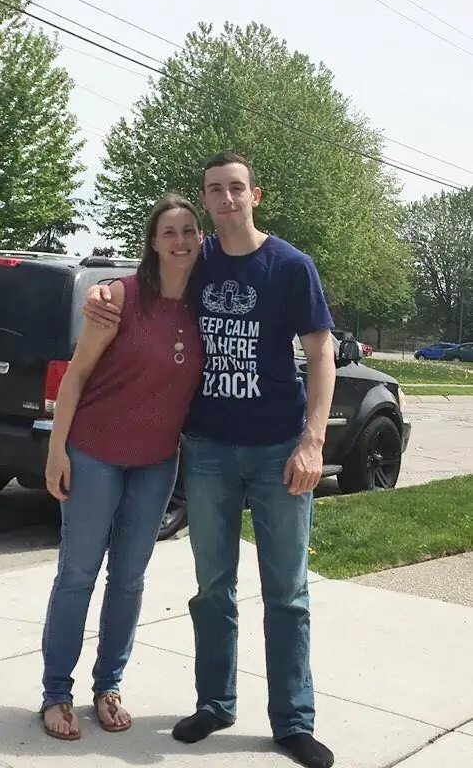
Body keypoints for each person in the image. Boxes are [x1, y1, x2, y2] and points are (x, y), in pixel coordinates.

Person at [84, 152, 336, 768]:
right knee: (212, 588)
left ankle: (292, 721)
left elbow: (322, 351)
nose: (225, 199)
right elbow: (144, 284)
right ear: (206, 201)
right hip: (209, 450)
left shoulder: (291, 267)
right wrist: (102, 291)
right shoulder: (196, 261)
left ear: (256, 194)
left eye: (235, 189)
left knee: (287, 592)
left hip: (280, 448)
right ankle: (215, 702)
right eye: (214, 192)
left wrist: (313, 441)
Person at [40, 194, 203, 741]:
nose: (180, 240)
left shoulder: (205, 308)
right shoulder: (119, 299)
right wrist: (56, 451)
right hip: (93, 454)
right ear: (153, 242)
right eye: (169, 232)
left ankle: (108, 686)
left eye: (189, 231)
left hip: (156, 464)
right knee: (78, 575)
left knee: (129, 580)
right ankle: (55, 692)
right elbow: (76, 376)